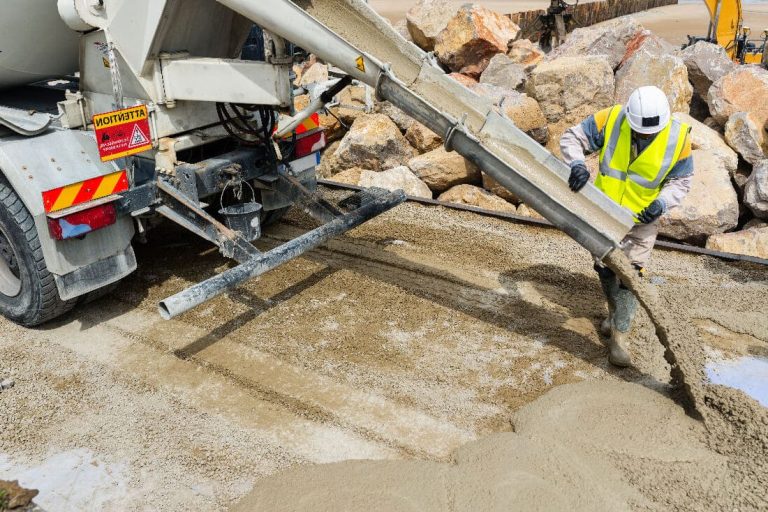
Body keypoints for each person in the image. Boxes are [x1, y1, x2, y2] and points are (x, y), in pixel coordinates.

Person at [559, 86, 693, 367]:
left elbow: (681, 181)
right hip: (604, 214)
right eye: (641, 132)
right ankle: (612, 315)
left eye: (651, 133)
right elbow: (573, 137)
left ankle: (620, 339)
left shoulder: (677, 138)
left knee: (630, 277)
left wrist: (662, 203)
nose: (646, 136)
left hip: (641, 221)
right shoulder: (612, 119)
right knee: (605, 267)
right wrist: (577, 165)